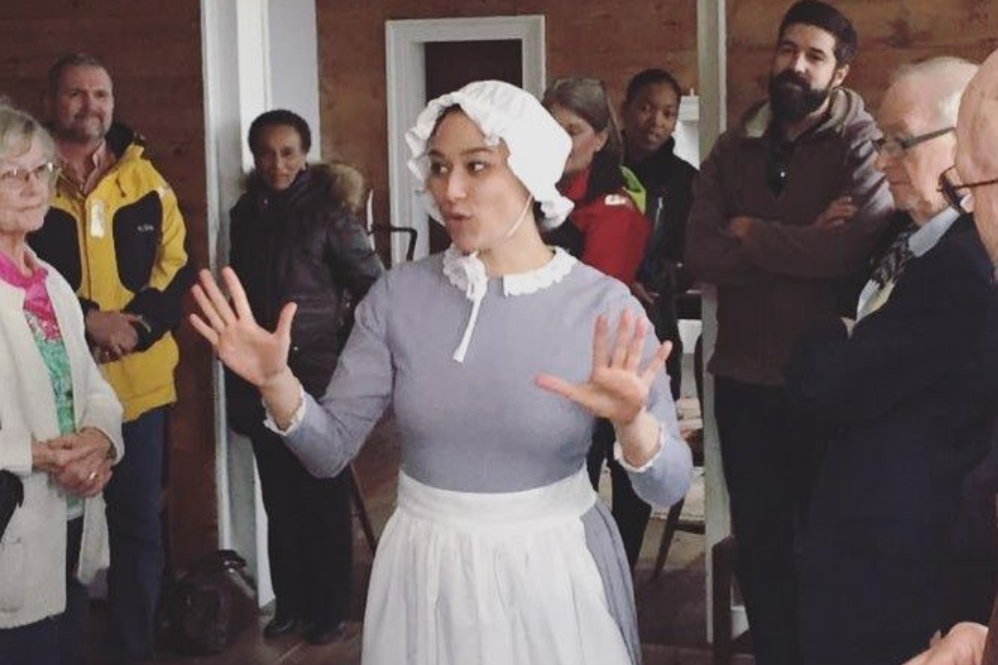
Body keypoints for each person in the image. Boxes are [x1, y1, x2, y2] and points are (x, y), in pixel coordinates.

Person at [190, 80, 692, 665]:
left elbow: (670, 484)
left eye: (477, 166)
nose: (450, 190)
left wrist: (634, 426)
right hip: (424, 572)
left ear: (529, 171)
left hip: (554, 571)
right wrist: (278, 384)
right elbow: (328, 453)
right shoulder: (397, 298)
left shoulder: (601, 306)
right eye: (438, 167)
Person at [683, 2, 894, 663]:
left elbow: (853, 250)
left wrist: (751, 230)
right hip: (744, 379)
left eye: (814, 55)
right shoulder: (731, 145)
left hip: (830, 383)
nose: (795, 65)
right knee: (764, 546)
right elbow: (700, 253)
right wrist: (801, 237)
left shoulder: (863, 143)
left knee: (826, 543)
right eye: (787, 50)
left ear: (840, 70)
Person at [787, 56, 998, 665]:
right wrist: (842, 337)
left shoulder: (969, 265)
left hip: (908, 563)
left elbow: (827, 384)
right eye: (881, 141)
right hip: (864, 543)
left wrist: (831, 334)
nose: (881, 160)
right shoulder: (900, 239)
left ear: (965, 143)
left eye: (899, 141)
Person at [27, 53, 190, 663]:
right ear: (52, 102)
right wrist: (88, 318)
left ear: (114, 103)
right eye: (75, 94)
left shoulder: (146, 181)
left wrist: (136, 327)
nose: (89, 105)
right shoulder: (27, 177)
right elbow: (19, 269)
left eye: (100, 94)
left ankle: (132, 652)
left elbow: (177, 272)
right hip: (53, 393)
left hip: (139, 389)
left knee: (139, 532)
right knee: (59, 536)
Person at [225, 109, 383, 644]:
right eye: (266, 152)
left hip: (316, 374)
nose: (277, 163)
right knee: (279, 498)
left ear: (305, 152)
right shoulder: (244, 213)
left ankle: (329, 607)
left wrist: (341, 347)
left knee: (321, 495)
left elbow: (373, 287)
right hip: (259, 376)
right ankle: (290, 604)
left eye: (288, 152)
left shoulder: (330, 214)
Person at [0, 104, 123, 665]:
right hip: (12, 525)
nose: (34, 186)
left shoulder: (51, 283)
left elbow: (94, 386)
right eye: (12, 173)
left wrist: (99, 438)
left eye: (42, 171)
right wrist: (36, 454)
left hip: (70, 521)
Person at [540, 76, 659, 571]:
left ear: (601, 137)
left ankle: (615, 570)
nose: (559, 141)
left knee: (622, 470)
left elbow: (596, 293)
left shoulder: (613, 203)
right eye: (549, 127)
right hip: (550, 353)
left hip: (611, 355)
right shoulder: (535, 191)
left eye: (572, 129)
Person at [621, 68, 699, 400]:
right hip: (602, 306)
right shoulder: (602, 168)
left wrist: (668, 278)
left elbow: (693, 247)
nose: (657, 121)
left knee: (659, 404)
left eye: (669, 113)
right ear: (625, 108)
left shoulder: (686, 179)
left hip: (658, 309)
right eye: (646, 108)